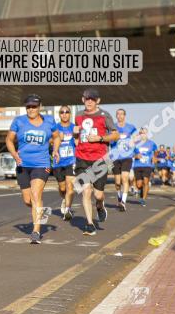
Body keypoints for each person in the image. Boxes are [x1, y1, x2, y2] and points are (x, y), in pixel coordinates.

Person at [65, 88, 119, 236]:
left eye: (92, 99)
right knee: (86, 191)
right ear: (83, 100)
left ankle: (100, 207)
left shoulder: (104, 115)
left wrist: (100, 138)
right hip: (82, 158)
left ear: (98, 101)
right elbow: (76, 139)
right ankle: (89, 224)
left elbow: (115, 135)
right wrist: (75, 134)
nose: (89, 101)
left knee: (98, 195)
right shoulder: (78, 115)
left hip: (101, 159)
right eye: (87, 98)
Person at [6, 94, 56, 244]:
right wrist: (14, 154)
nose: (31, 109)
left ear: (40, 107)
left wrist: (55, 149)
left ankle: (36, 232)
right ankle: (40, 209)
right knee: (28, 200)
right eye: (28, 106)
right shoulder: (19, 121)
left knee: (35, 195)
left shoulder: (49, 121)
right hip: (23, 165)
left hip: (42, 164)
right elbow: (9, 139)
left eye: (34, 106)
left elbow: (57, 136)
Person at [52, 104, 77, 221]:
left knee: (69, 186)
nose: (65, 114)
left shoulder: (74, 127)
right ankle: (64, 199)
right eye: (62, 112)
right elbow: (48, 141)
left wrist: (77, 137)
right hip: (58, 162)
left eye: (67, 112)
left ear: (70, 114)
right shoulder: (55, 128)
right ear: (59, 114)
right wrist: (56, 139)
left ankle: (67, 210)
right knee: (62, 188)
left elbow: (79, 143)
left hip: (71, 161)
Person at [111, 108, 137, 211]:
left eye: (122, 114)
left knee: (125, 178)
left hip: (127, 157)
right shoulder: (113, 127)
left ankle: (123, 202)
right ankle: (119, 196)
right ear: (116, 116)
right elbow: (110, 141)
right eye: (118, 114)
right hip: (115, 157)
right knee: (118, 182)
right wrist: (114, 139)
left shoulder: (131, 128)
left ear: (124, 116)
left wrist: (135, 150)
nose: (120, 116)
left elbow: (136, 140)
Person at [132, 128, 156, 206]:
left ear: (147, 134)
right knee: (139, 185)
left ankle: (143, 199)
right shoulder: (136, 143)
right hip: (137, 165)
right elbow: (130, 153)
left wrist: (154, 158)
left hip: (147, 165)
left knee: (146, 182)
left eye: (145, 133)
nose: (143, 135)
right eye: (142, 133)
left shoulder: (151, 143)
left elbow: (156, 151)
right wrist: (136, 156)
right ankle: (141, 191)